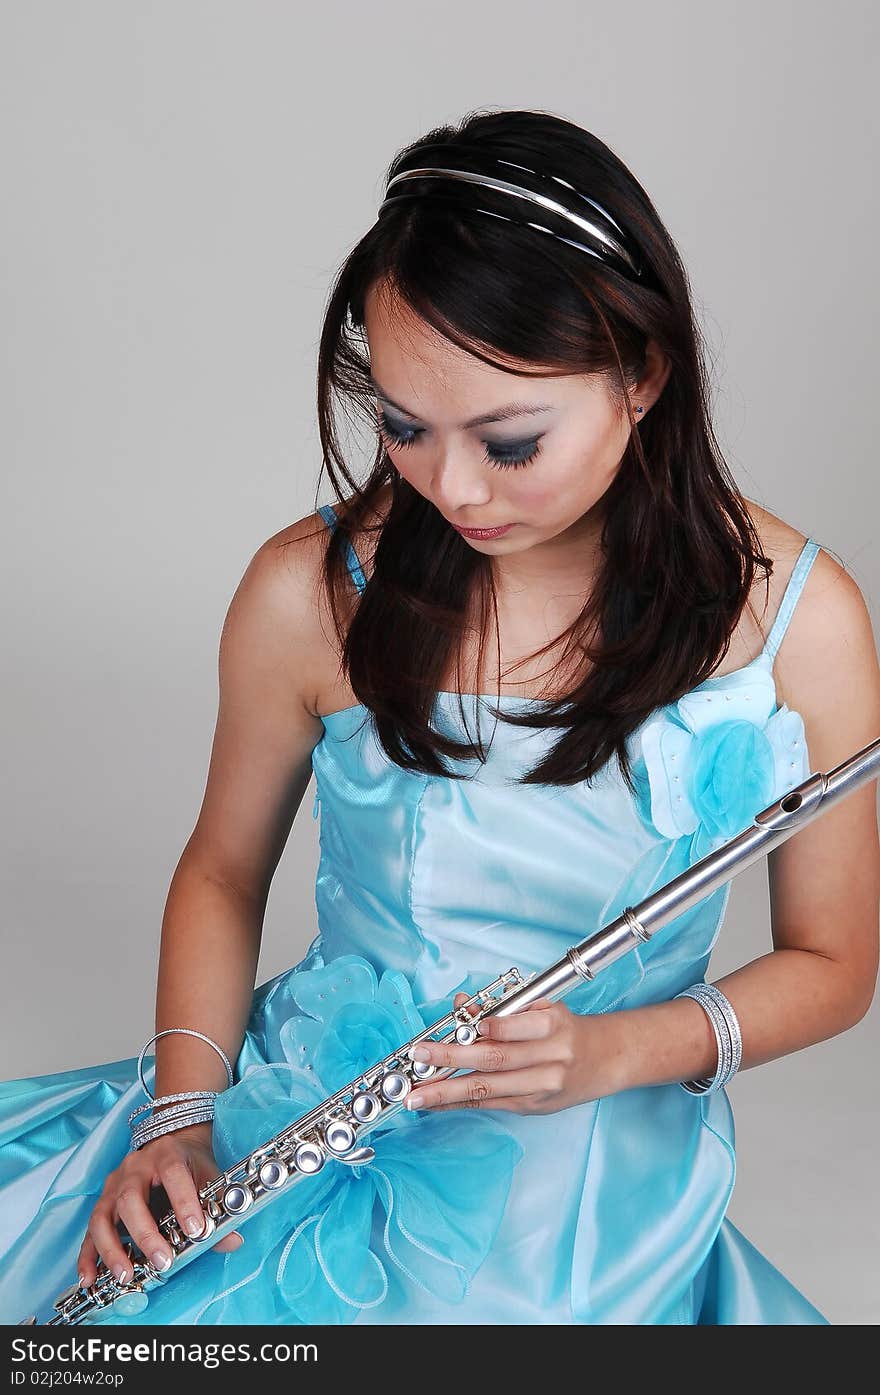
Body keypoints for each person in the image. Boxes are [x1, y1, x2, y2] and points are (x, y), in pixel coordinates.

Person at [2, 108, 879, 1327]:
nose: (450, 487)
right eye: (404, 428)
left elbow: (835, 967)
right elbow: (219, 870)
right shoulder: (307, 592)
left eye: (508, 442)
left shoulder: (803, 620)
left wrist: (610, 1053)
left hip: (591, 1201)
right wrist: (183, 1116)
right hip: (310, 1108)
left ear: (642, 373)